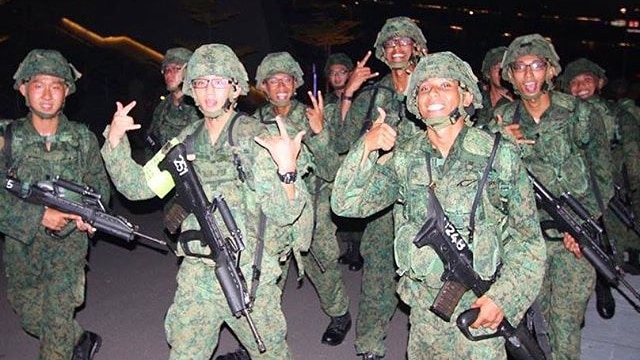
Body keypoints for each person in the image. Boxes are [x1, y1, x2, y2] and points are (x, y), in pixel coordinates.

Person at [101, 43, 311, 360]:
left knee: (271, 353)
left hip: (248, 273)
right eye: (200, 83)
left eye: (218, 81)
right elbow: (139, 188)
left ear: (234, 88)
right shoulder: (184, 141)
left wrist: (286, 171)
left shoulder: (257, 137)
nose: (209, 91)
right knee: (185, 352)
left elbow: (285, 213)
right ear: (192, 92)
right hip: (197, 274)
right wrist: (115, 142)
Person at [332, 51, 546, 359]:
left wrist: (503, 299)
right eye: (424, 87)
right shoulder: (405, 158)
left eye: (445, 84)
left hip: (481, 309)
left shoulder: (499, 156)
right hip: (425, 314)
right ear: (415, 103)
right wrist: (364, 147)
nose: (432, 92)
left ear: (466, 96)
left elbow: (528, 242)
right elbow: (346, 204)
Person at [491, 34, 614, 360]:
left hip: (570, 242)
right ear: (510, 75)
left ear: (550, 70)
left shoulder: (580, 115)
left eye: (536, 66)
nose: (529, 75)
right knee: (524, 329)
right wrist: (499, 145)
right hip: (522, 242)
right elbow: (482, 183)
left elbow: (603, 178)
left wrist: (583, 226)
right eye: (520, 68)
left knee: (565, 326)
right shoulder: (501, 121)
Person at [0, 49, 110, 360]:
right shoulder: (6, 138)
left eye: (56, 86)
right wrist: (37, 216)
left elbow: (99, 188)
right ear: (24, 89)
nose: (47, 95)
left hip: (68, 246)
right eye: (38, 85)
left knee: (56, 327)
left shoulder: (82, 139)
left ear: (67, 92)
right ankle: (80, 339)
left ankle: (65, 341)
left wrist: (92, 217)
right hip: (21, 248)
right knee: (33, 318)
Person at [332, 16, 428, 360]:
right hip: (384, 203)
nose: (397, 48)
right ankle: (370, 347)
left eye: (404, 42)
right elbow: (342, 141)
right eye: (391, 44)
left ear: (417, 47)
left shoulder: (434, 88)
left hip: (428, 202)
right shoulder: (375, 95)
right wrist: (350, 92)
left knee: (431, 279)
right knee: (377, 279)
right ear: (383, 53)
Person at [253, 51, 353, 347]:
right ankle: (257, 336)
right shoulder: (254, 122)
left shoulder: (312, 115)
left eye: (286, 79)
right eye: (273, 80)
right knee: (266, 274)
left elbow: (331, 169)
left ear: (296, 84)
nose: (281, 86)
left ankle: (340, 315)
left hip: (312, 206)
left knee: (322, 265)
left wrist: (320, 132)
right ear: (264, 87)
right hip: (271, 210)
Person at [560, 58, 640, 276]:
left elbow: (633, 154)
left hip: (611, 189)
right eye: (574, 82)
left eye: (587, 80)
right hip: (575, 188)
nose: (581, 86)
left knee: (613, 240)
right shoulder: (562, 116)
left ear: (600, 83)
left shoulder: (617, 115)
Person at [322, 52, 365, 270]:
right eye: (333, 73)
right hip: (334, 160)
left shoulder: (361, 99)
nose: (337, 77)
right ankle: (349, 249)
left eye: (342, 72)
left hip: (354, 159)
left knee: (355, 207)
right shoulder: (326, 101)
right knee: (339, 209)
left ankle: (357, 252)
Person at [144, 47, 200, 156]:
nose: (169, 74)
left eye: (176, 68)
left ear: (188, 71)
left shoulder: (202, 105)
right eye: (166, 69)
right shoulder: (162, 107)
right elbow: (151, 143)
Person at [475, 46, 513, 128]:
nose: (502, 72)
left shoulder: (521, 103)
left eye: (506, 67)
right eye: (497, 67)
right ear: (488, 73)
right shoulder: (476, 102)